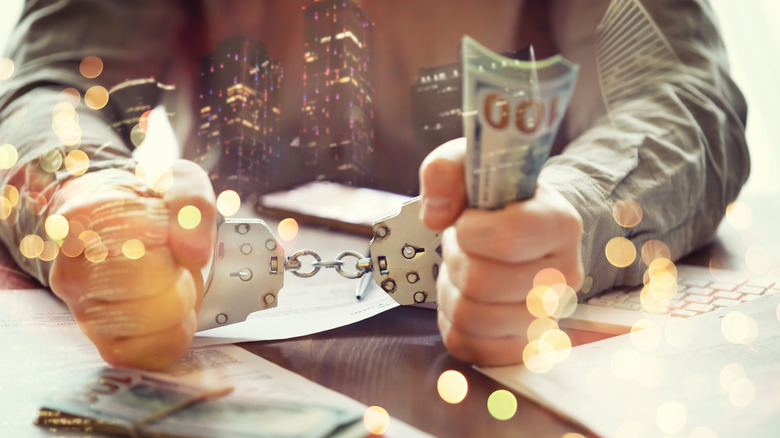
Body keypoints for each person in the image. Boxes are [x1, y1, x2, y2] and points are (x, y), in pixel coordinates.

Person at [0, 0, 747, 369]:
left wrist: (574, 214)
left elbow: (683, 97)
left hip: (508, 343)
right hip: (227, 337)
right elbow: (48, 87)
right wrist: (79, 193)